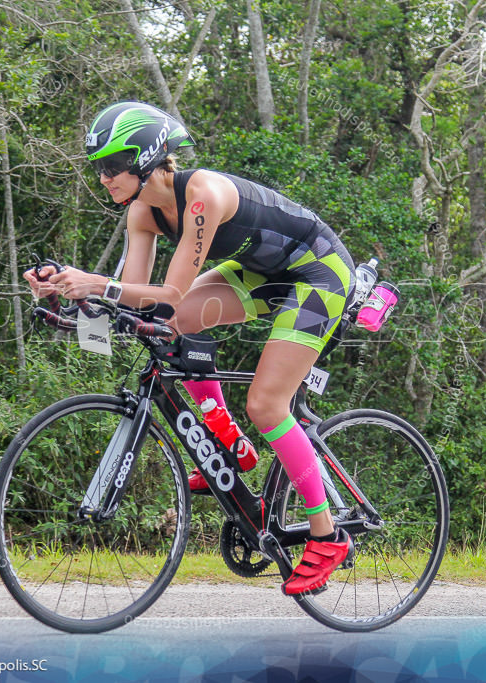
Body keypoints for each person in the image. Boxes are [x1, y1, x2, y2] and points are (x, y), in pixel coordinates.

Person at [24, 101, 356, 595]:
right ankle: (228, 443)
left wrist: (94, 283)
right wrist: (70, 292)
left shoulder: (203, 195)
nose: (103, 178)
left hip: (317, 271)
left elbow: (172, 290)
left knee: (266, 403)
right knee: (166, 324)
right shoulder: (141, 211)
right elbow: (137, 298)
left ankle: (327, 536)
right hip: (262, 274)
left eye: (112, 166)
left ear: (146, 156)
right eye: (98, 168)